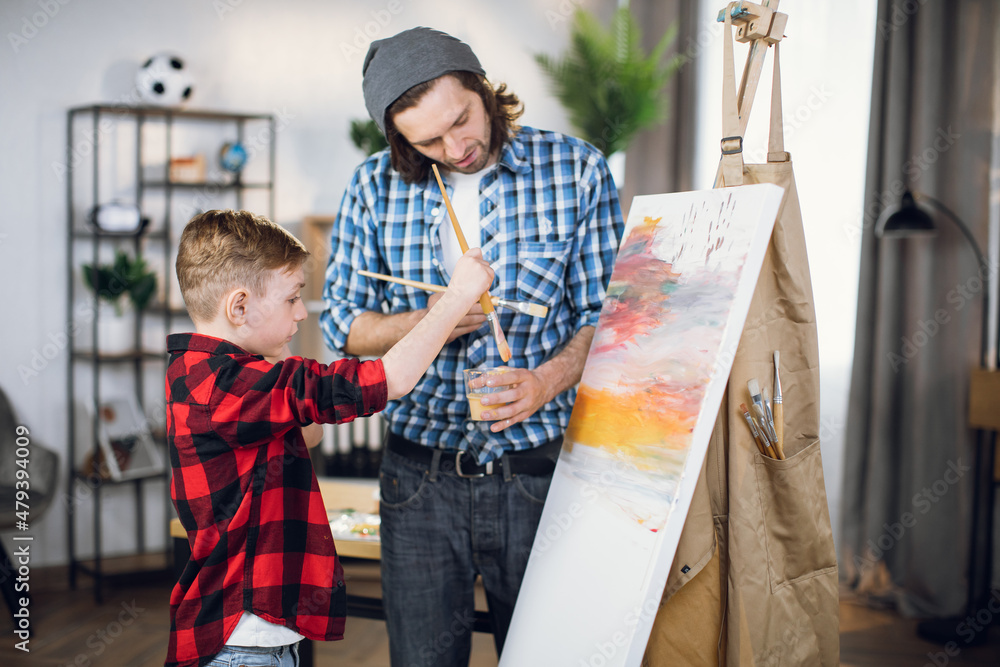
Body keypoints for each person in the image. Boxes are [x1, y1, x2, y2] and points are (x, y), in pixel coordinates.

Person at [321, 27, 624, 665]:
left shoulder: (577, 170)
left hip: (539, 476)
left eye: (462, 119)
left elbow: (607, 319)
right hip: (418, 480)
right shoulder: (373, 187)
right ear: (398, 138)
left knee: (550, 656)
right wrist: (427, 318)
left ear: (483, 90)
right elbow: (341, 328)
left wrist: (546, 381)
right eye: (427, 140)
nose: (456, 147)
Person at [164, 209, 494, 667]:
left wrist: (279, 354)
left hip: (253, 634)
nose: (302, 312)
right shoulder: (232, 385)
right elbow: (389, 380)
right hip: (242, 640)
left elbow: (311, 434)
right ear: (239, 307)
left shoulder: (197, 371)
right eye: (292, 299)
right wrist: (456, 297)